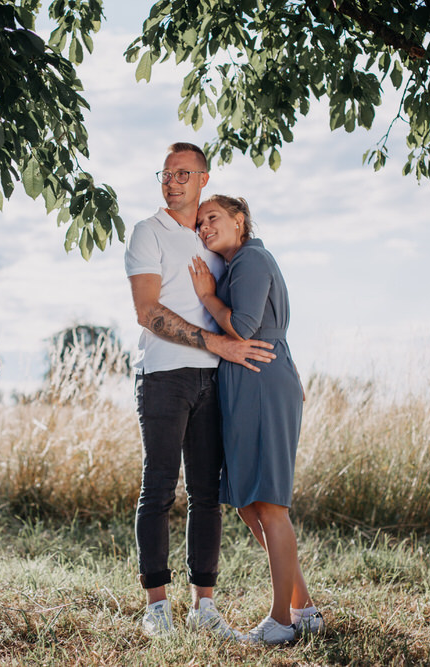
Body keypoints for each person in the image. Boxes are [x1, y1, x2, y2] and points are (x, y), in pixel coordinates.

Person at [124, 143, 276, 639]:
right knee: (159, 489)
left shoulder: (212, 238)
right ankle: (156, 608)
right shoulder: (148, 232)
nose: (173, 181)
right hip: (165, 376)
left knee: (207, 495)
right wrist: (218, 344)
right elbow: (147, 311)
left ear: (203, 178)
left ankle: (203, 607)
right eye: (166, 173)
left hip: (215, 379)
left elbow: (247, 304)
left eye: (184, 173)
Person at [188, 195, 324, 644]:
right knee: (249, 503)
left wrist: (206, 295)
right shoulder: (242, 262)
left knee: (269, 504)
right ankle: (304, 609)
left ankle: (281, 621)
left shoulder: (249, 259)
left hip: (261, 383)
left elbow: (245, 328)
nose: (205, 226)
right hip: (252, 383)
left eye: (214, 218)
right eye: (200, 222)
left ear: (239, 220)